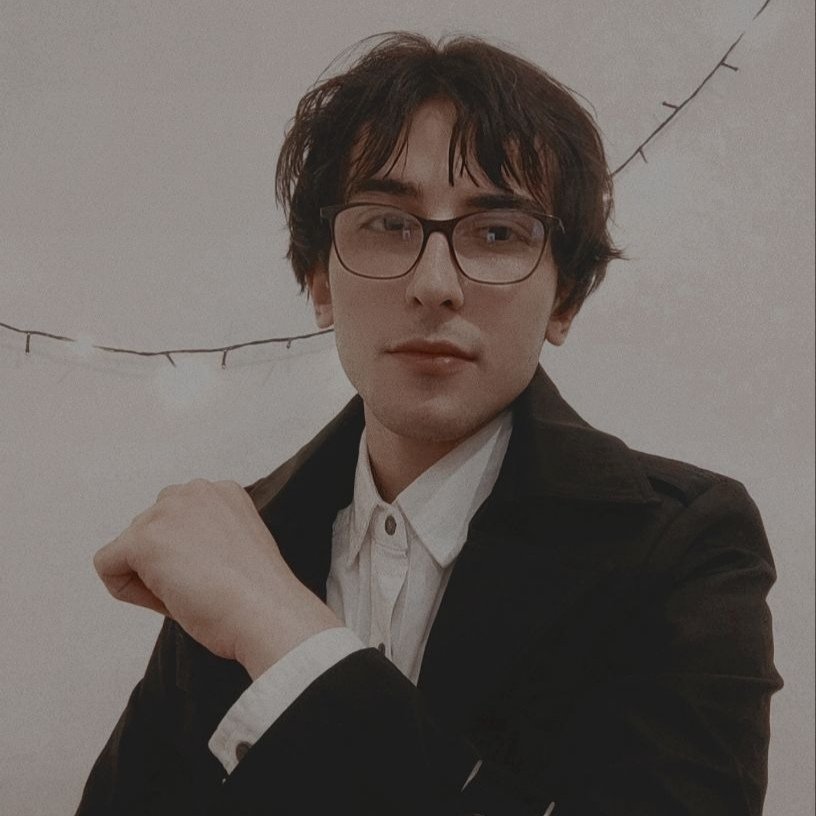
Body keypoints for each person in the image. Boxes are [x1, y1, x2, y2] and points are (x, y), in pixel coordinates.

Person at [75, 32, 782, 816]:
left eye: (498, 232)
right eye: (387, 224)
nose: (434, 284)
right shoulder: (245, 538)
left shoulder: (683, 545)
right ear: (319, 280)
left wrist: (282, 630)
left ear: (566, 298)